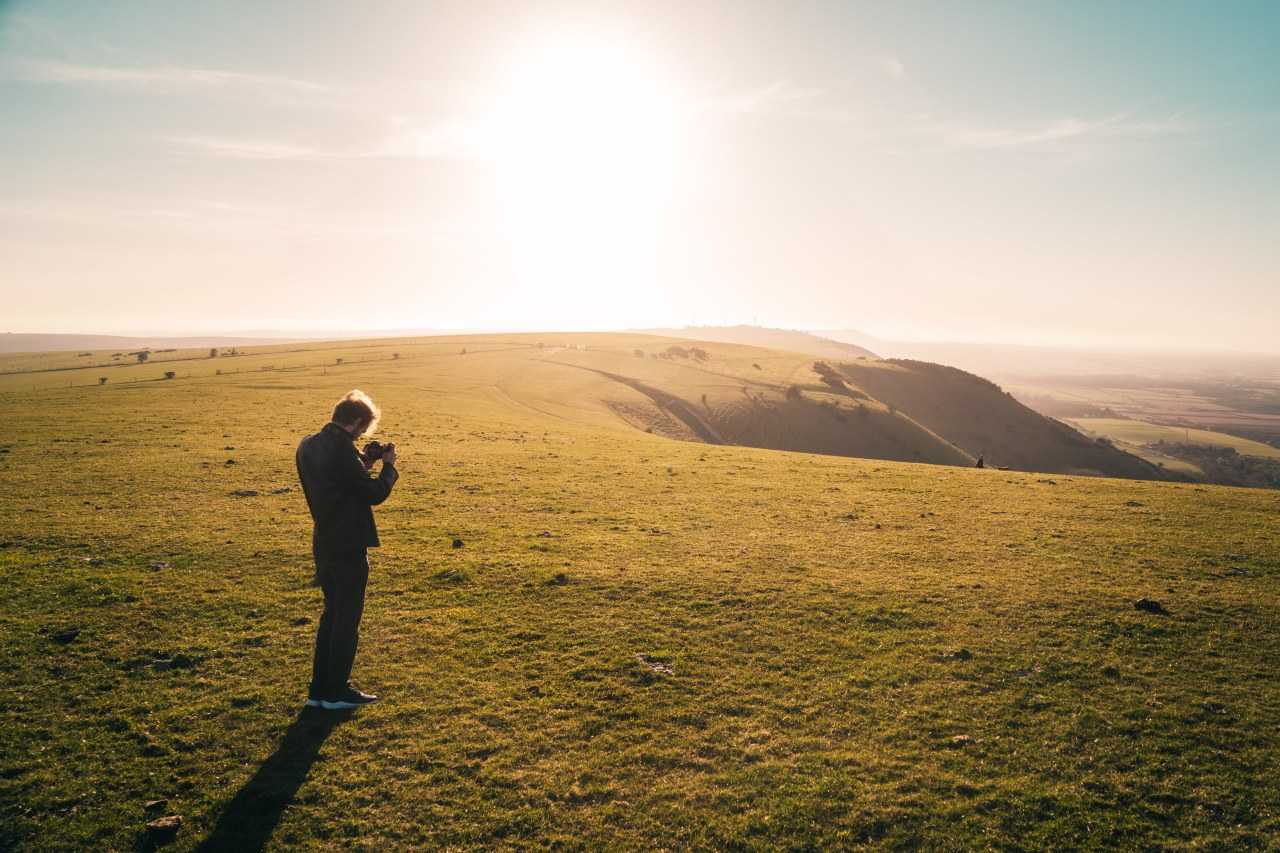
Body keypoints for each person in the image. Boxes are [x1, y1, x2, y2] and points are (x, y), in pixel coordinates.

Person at [295, 390, 399, 710]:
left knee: (331, 615)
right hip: (349, 542)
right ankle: (338, 691)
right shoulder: (342, 450)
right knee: (347, 618)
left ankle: (320, 690)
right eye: (363, 428)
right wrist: (388, 468)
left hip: (324, 539)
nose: (363, 435)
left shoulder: (308, 445)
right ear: (355, 422)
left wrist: (363, 462)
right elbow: (372, 494)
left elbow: (339, 482)